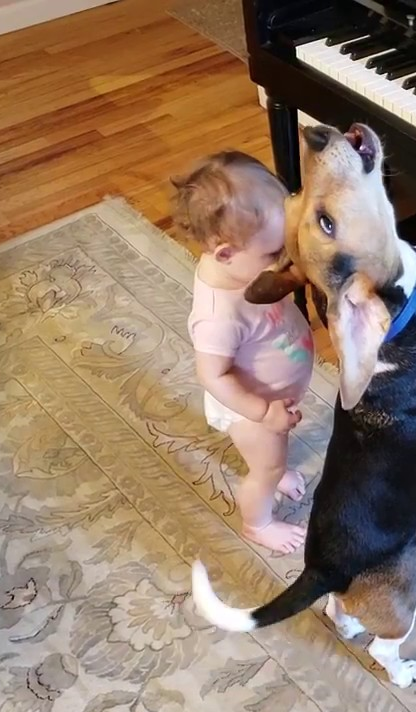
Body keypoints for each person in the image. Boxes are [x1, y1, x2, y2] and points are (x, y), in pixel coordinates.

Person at [173, 151, 314, 553]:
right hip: (249, 407)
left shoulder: (245, 270)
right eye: (274, 254)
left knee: (275, 457)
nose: (285, 260)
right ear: (226, 254)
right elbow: (212, 375)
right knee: (267, 466)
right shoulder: (217, 315)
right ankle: (258, 523)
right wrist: (262, 412)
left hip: (273, 392)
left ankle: (276, 470)